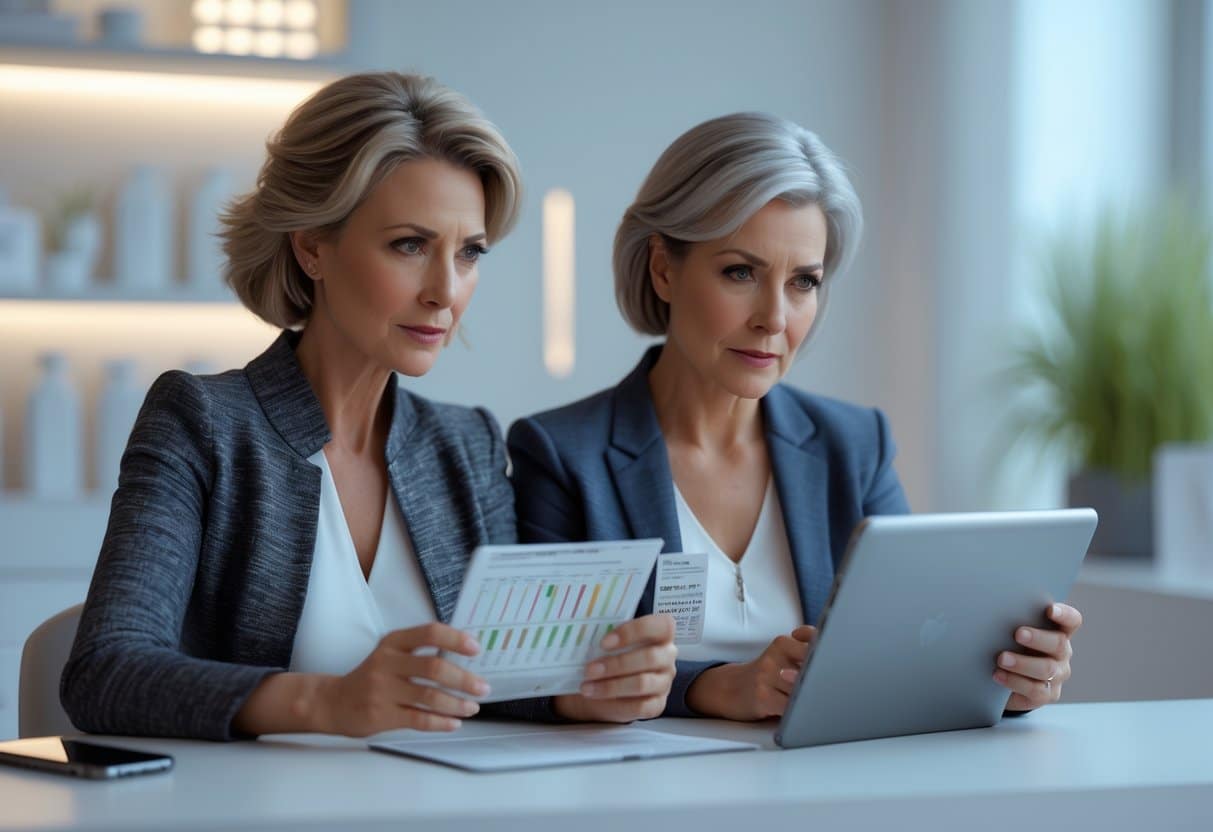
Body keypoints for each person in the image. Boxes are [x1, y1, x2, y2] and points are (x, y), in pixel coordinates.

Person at [60, 72, 676, 741]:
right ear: (312, 246)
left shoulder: (464, 443)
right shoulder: (203, 422)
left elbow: (495, 679)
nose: (446, 291)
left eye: (468, 253)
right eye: (409, 245)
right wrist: (327, 703)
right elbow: (106, 672)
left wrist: (578, 694)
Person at [508, 112, 1082, 721]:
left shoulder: (855, 446)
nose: (775, 318)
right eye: (740, 272)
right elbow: (530, 682)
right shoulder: (562, 454)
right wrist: (715, 687)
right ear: (662, 268)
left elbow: (910, 647)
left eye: (804, 282)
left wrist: (1004, 679)